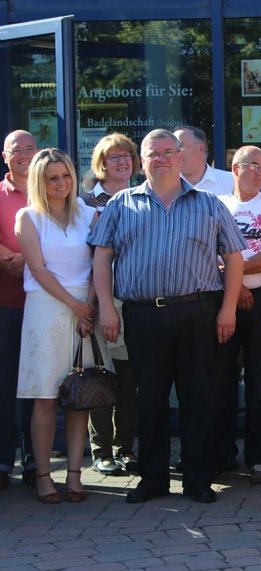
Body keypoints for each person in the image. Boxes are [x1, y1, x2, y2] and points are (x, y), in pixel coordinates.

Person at [90, 128, 246, 505]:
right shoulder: (121, 204)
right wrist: (108, 308)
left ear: (181, 157)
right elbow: (101, 257)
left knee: (198, 399)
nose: (159, 158)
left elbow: (235, 258)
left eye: (166, 151)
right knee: (150, 400)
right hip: (143, 315)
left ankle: (197, 480)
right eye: (151, 153)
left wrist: (227, 309)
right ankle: (153, 479)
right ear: (142, 161)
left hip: (198, 312)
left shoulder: (209, 203)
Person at [14, 149, 101, 504]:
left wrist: (90, 307)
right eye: (53, 178)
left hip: (86, 310)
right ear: (40, 181)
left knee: (80, 397)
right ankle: (44, 475)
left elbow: (100, 263)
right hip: (47, 309)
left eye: (66, 175)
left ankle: (77, 475)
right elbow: (38, 269)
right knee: (47, 398)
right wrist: (77, 306)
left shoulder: (90, 214)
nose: (62, 183)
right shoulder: (29, 217)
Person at [215, 145, 261, 484]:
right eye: (253, 166)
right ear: (235, 169)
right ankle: (222, 454)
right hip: (224, 301)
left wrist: (236, 270)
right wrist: (235, 284)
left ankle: (259, 459)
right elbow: (207, 253)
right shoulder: (217, 205)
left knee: (260, 384)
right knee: (222, 382)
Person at [83, 133, 141, 477]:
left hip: (133, 300)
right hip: (99, 299)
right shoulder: (86, 203)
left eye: (127, 157)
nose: (122, 162)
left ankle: (126, 448)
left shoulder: (142, 199)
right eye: (114, 157)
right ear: (101, 164)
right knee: (101, 377)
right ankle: (101, 450)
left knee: (128, 380)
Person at [0, 130, 38, 490]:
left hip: (45, 307)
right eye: (17, 150)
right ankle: (3, 459)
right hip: (6, 305)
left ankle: (33, 459)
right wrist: (9, 259)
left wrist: (29, 261)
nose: (24, 155)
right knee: (5, 384)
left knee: (37, 387)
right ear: (4, 156)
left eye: (31, 149)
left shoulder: (49, 190)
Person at [174, 125, 234, 196]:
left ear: (201, 148)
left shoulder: (231, 182)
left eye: (180, 146)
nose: (174, 152)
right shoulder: (164, 186)